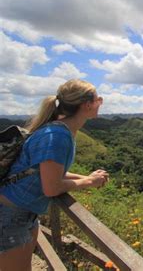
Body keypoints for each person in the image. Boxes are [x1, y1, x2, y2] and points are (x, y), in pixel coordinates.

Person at [0, 79, 109, 270]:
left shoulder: (60, 130)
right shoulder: (57, 136)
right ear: (87, 104)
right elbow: (52, 187)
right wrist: (88, 182)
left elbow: (51, 173)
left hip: (22, 213)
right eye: (98, 98)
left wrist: (87, 178)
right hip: (11, 215)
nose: (101, 101)